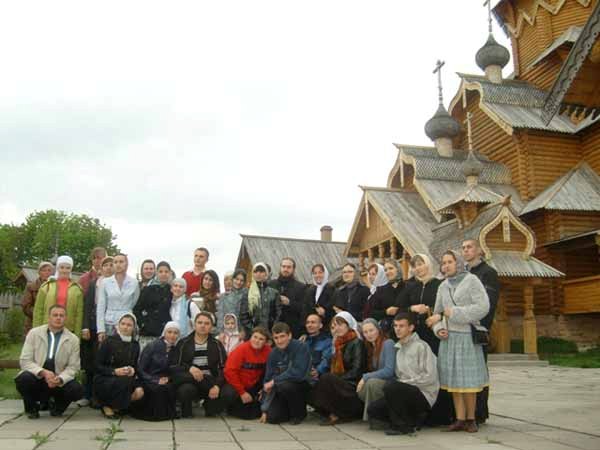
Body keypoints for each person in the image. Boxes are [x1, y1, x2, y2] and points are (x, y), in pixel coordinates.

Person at [426, 250, 489, 433]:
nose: (446, 266)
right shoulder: (443, 286)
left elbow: (483, 307)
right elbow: (436, 314)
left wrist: (456, 313)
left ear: (458, 263)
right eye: (443, 263)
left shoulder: (472, 281)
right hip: (449, 339)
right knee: (454, 382)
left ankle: (471, 419)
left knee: (468, 382)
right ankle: (459, 419)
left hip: (467, 338)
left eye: (449, 262)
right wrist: (439, 329)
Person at [367, 313, 439, 435]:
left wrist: (403, 383)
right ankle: (411, 419)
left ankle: (403, 427)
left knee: (393, 386)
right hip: (403, 393)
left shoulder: (421, 346)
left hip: (423, 394)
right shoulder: (398, 348)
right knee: (373, 409)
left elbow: (430, 377)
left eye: (402, 326)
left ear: (411, 328)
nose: (397, 329)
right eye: (395, 326)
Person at [15, 305, 83, 419]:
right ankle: (31, 408)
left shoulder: (73, 339)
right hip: (37, 377)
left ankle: (57, 408)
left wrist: (60, 378)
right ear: (49, 317)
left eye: (61, 315)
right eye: (55, 315)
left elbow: (73, 367)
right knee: (23, 379)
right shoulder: (34, 333)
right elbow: (25, 360)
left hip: (57, 379)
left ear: (65, 318)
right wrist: (43, 372)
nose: (58, 318)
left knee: (77, 389)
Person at [462, 239, 499, 424]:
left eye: (469, 247)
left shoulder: (488, 273)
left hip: (477, 329)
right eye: (463, 248)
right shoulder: (463, 274)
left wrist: (474, 322)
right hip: (460, 330)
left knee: (478, 372)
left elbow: (488, 305)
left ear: (479, 250)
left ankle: (479, 413)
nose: (466, 251)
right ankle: (464, 413)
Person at [312, 311, 366, 425]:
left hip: (353, 383)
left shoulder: (356, 342)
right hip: (340, 380)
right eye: (335, 325)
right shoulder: (337, 343)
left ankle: (337, 414)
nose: (338, 328)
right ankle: (333, 412)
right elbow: (330, 363)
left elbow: (357, 370)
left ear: (348, 325)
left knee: (328, 379)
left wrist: (338, 378)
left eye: (341, 325)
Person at [170, 312, 227, 418]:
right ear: (194, 325)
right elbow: (174, 365)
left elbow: (223, 368)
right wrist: (190, 368)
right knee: (185, 390)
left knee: (214, 409)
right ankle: (186, 411)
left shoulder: (217, 344)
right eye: (200, 322)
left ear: (211, 326)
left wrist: (217, 386)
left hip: (210, 382)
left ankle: (208, 405)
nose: (203, 326)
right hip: (190, 381)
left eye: (206, 323)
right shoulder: (183, 343)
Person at [94, 312, 144, 418]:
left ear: (134, 328)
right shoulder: (108, 341)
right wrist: (114, 371)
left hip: (127, 378)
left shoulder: (135, 345)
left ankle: (118, 406)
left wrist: (132, 370)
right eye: (123, 324)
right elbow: (97, 365)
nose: (125, 327)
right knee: (122, 382)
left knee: (139, 392)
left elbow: (135, 365)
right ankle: (107, 405)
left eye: (129, 325)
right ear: (118, 325)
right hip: (107, 377)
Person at [261, 322, 311, 425]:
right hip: (279, 389)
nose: (279, 341)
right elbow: (267, 380)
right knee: (272, 418)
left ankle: (299, 413)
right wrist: (264, 410)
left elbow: (298, 373)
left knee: (286, 385)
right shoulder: (273, 353)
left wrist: (275, 381)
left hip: (301, 386)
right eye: (276, 338)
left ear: (290, 335)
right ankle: (287, 411)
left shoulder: (301, 347)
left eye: (282, 336)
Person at [80, 256, 114, 407]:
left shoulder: (118, 285)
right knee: (91, 362)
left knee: (107, 361)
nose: (108, 267)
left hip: (111, 325)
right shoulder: (95, 284)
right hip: (94, 327)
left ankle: (103, 396)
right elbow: (87, 306)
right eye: (105, 265)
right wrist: (86, 326)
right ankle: (88, 395)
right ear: (101, 268)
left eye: (111, 265)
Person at [131, 321, 180, 421]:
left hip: (163, 379)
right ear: (164, 333)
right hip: (147, 378)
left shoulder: (176, 349)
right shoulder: (152, 346)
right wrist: (154, 380)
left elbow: (174, 369)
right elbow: (140, 369)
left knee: (168, 387)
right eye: (169, 332)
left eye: (175, 333)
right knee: (157, 389)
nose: (172, 335)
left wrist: (168, 378)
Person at [222, 326, 272, 420]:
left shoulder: (268, 351)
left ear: (266, 342)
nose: (257, 341)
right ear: (250, 337)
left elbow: (270, 371)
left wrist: (264, 388)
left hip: (254, 386)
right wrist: (242, 392)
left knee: (253, 413)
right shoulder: (241, 350)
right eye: (255, 337)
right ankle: (228, 407)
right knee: (229, 394)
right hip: (236, 385)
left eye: (261, 339)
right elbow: (230, 371)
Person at [399, 254, 442, 354]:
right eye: (414, 266)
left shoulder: (439, 284)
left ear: (427, 264)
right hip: (415, 333)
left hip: (433, 331)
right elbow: (400, 308)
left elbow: (446, 307)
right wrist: (413, 308)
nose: (417, 268)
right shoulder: (411, 287)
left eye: (420, 264)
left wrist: (429, 309)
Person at [33, 255, 84, 337]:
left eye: (68, 268)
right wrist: (36, 332)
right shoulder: (46, 287)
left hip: (68, 330)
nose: (64, 270)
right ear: (57, 268)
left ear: (71, 269)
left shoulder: (77, 289)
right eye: (62, 267)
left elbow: (79, 314)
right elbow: (38, 310)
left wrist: (77, 336)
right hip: (47, 329)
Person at [356, 318, 396, 421]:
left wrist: (365, 377)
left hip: (392, 382)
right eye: (365, 332)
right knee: (366, 385)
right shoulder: (370, 347)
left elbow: (389, 370)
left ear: (378, 330)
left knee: (371, 383)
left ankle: (371, 418)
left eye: (371, 330)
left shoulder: (388, 343)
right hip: (379, 381)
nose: (369, 334)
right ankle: (373, 416)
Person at [96, 253, 140, 341]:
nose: (118, 264)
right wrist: (101, 330)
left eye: (121, 262)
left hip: (126, 323)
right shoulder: (105, 282)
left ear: (126, 264)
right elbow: (101, 306)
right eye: (115, 262)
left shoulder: (134, 282)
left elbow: (134, 301)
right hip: (109, 323)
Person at [134, 261, 173, 350]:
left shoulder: (172, 291)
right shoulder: (148, 290)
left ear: (170, 273)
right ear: (156, 273)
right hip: (148, 332)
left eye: (166, 272)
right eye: (161, 271)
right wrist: (143, 323)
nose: (163, 274)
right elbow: (137, 309)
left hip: (165, 332)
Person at [269, 258, 307, 338]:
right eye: (284, 266)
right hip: (272, 329)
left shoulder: (301, 287)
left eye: (289, 267)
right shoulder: (271, 285)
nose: (286, 269)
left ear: (293, 269)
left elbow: (304, 309)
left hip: (292, 330)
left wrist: (290, 303)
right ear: (280, 268)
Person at [239, 263, 281, 335]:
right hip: (253, 334)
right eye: (255, 271)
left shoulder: (274, 293)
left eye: (261, 271)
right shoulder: (247, 293)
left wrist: (273, 329)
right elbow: (243, 316)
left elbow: (279, 314)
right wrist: (253, 330)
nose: (258, 274)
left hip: (270, 333)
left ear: (266, 274)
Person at [367, 260, 405, 333]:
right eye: (385, 270)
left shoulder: (408, 286)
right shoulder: (381, 290)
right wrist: (386, 312)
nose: (388, 272)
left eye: (391, 268)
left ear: (398, 269)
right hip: (388, 330)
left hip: (407, 329)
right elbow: (372, 313)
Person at [22, 261, 54, 336]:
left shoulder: (55, 287)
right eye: (44, 270)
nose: (47, 272)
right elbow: (26, 306)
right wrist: (39, 315)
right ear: (39, 272)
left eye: (49, 270)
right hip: (33, 322)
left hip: (51, 323)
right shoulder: (31, 286)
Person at [216, 269, 248, 335]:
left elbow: (248, 316)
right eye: (237, 279)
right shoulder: (224, 296)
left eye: (241, 280)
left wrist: (244, 330)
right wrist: (221, 332)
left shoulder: (248, 295)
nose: (239, 282)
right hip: (227, 332)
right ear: (233, 279)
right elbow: (220, 316)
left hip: (242, 333)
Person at [303, 313, 332, 384]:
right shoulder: (303, 341)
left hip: (318, 377)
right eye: (307, 323)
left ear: (320, 325)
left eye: (313, 322)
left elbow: (326, 359)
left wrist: (317, 371)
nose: (309, 325)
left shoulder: (327, 341)